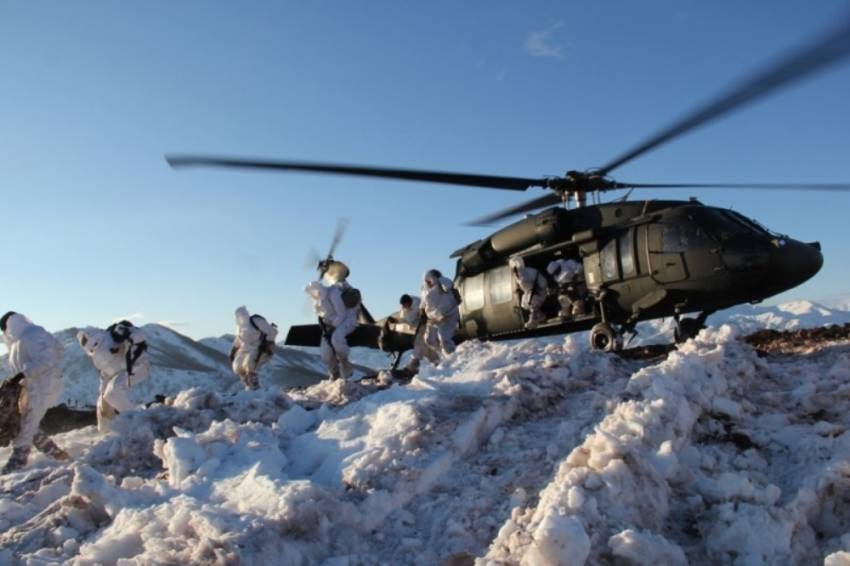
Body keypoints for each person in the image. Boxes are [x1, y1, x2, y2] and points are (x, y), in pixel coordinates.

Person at [1, 311, 69, 473]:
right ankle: (56, 454)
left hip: (43, 386)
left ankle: (19, 461)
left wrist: (23, 373)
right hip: (31, 388)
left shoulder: (33, 334)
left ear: (9, 325)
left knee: (26, 425)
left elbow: (50, 357)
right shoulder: (18, 340)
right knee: (25, 423)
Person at [77, 322, 150, 431]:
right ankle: (106, 432)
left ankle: (139, 423)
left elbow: (141, 333)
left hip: (138, 366)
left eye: (84, 339)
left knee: (112, 394)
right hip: (117, 373)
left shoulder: (113, 333)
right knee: (102, 404)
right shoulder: (96, 355)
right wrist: (102, 391)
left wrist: (128, 341)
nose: (84, 342)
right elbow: (106, 371)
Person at [305, 267, 360, 380]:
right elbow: (322, 315)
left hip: (346, 320)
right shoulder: (317, 301)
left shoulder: (333, 293)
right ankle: (334, 373)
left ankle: (345, 363)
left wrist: (333, 327)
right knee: (326, 353)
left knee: (337, 338)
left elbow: (341, 313)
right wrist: (326, 327)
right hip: (329, 325)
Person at [230, 307, 278, 390]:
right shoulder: (239, 328)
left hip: (259, 346)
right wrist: (233, 349)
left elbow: (272, 331)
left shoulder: (255, 321)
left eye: (243, 314)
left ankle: (255, 386)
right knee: (237, 366)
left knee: (249, 364)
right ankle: (247, 385)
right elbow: (239, 339)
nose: (241, 317)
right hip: (245, 349)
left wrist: (268, 343)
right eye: (239, 316)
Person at [391, 294, 439, 373]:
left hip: (429, 324)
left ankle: (414, 363)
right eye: (404, 305)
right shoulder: (405, 308)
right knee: (425, 346)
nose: (405, 307)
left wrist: (397, 321)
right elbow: (406, 319)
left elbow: (410, 319)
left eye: (406, 305)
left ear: (409, 302)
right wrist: (396, 321)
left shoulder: (417, 304)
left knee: (420, 342)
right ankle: (436, 362)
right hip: (419, 326)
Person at [420, 269, 460, 356]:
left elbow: (450, 285)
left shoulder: (443, 285)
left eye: (429, 280)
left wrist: (439, 278)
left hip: (449, 314)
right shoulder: (426, 292)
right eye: (427, 281)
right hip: (435, 318)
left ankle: (452, 356)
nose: (428, 283)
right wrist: (426, 314)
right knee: (429, 339)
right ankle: (445, 354)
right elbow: (425, 307)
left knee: (444, 338)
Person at [509, 256, 548, 329]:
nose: (515, 271)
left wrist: (539, 288)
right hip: (528, 293)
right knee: (525, 304)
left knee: (533, 304)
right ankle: (541, 317)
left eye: (515, 269)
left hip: (538, 292)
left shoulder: (530, 272)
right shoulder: (517, 277)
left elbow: (542, 281)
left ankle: (533, 321)